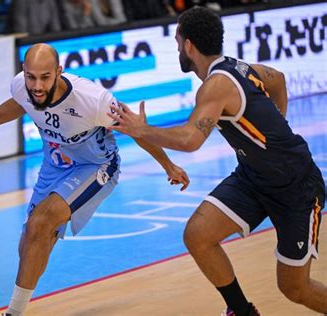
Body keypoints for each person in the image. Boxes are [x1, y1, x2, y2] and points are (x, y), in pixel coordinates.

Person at [0, 43, 189, 315]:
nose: (36, 85)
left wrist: (168, 165)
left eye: (45, 77)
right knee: (29, 241)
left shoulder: (93, 101)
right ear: (23, 72)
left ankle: (14, 313)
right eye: (31, 76)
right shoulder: (21, 87)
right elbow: (18, 104)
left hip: (96, 165)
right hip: (55, 163)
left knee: (40, 223)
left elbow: (136, 131)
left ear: (59, 72)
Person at [108, 7, 326, 316]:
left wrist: (141, 130)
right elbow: (277, 79)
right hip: (255, 177)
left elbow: (190, 139)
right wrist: (275, 127)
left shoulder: (217, 85)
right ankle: (241, 311)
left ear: (188, 46)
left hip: (296, 186)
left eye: (177, 41)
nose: (177, 47)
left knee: (294, 289)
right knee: (198, 235)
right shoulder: (238, 67)